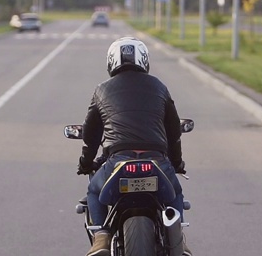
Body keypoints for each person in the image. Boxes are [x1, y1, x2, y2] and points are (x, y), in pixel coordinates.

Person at [77, 36, 191, 256]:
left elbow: (90, 135)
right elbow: (174, 132)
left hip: (118, 161)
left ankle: (101, 237)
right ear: (144, 60)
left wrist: (85, 163)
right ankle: (180, 242)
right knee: (176, 192)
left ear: (111, 62)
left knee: (92, 191)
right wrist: (177, 163)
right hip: (156, 160)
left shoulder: (101, 89)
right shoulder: (159, 86)